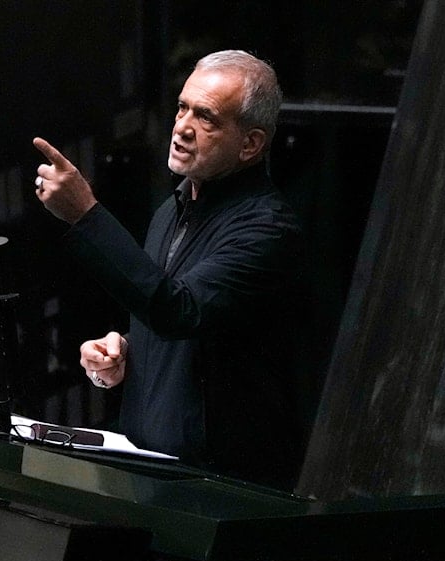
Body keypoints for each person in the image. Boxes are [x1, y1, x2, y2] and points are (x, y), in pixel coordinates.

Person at [32, 50, 311, 489]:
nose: (182, 127)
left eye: (207, 117)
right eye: (182, 107)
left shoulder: (267, 230)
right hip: (150, 475)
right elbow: (183, 323)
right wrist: (124, 350)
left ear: (251, 144)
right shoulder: (173, 208)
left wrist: (85, 214)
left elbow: (178, 310)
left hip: (222, 492)